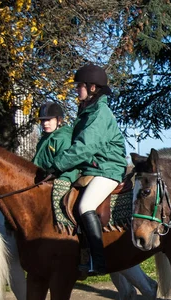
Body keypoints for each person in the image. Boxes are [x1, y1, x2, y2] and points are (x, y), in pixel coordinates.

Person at [49, 64, 127, 276]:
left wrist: (57, 165)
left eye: (79, 86)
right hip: (93, 167)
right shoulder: (87, 111)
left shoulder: (100, 113)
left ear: (92, 88)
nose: (76, 90)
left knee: (85, 205)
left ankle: (98, 262)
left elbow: (84, 147)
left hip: (109, 168)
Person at [32, 102, 79, 183]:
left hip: (62, 177)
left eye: (49, 119)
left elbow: (66, 163)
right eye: (42, 120)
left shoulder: (64, 139)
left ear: (59, 120)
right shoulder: (44, 138)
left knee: (59, 192)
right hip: (43, 176)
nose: (45, 123)